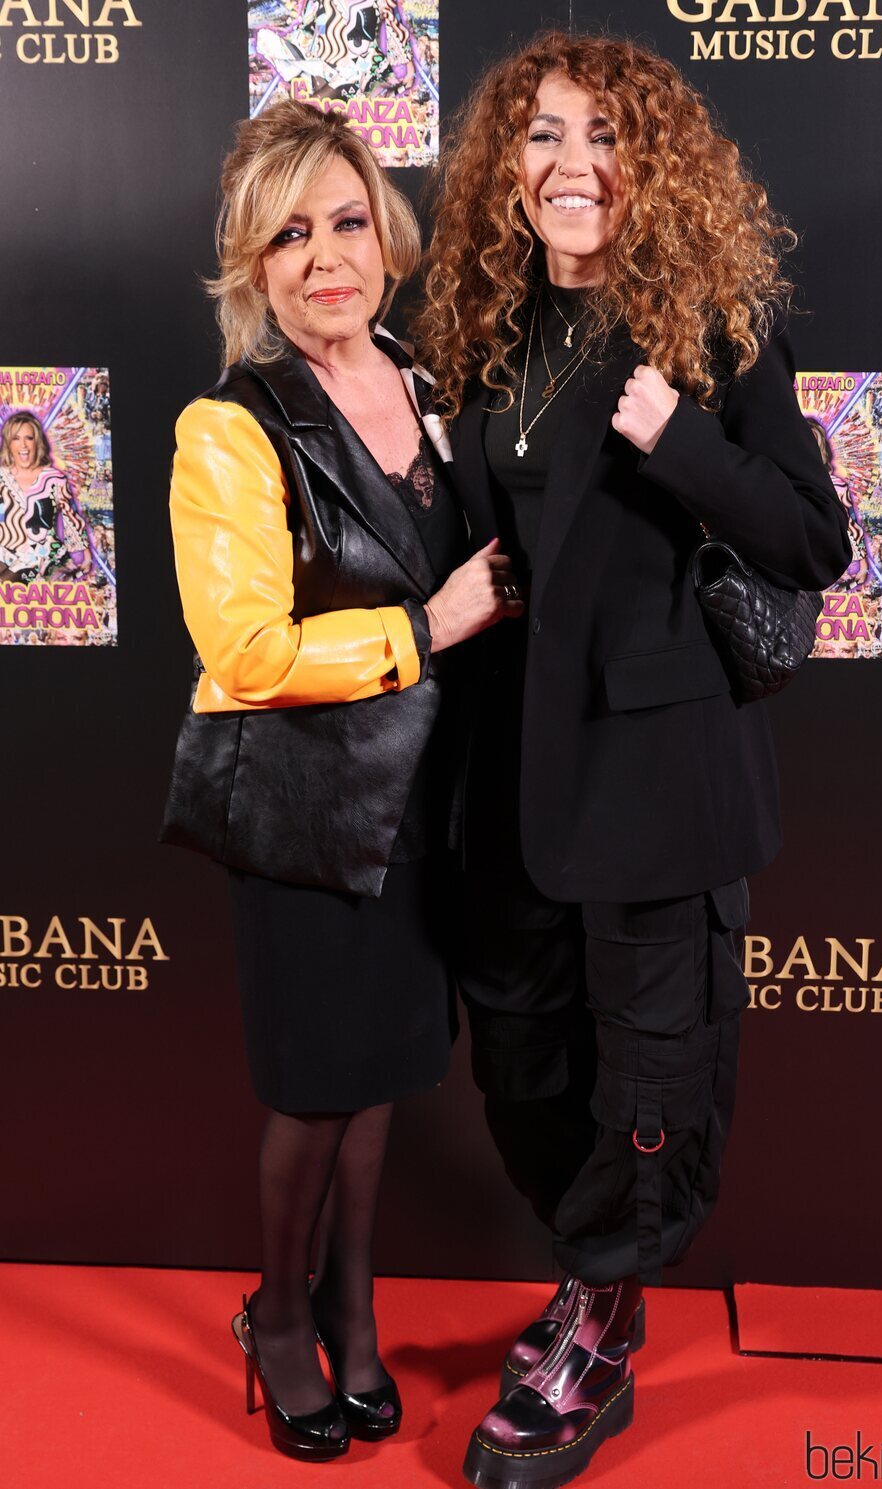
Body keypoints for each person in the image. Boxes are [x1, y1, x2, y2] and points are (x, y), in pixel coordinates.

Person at [417, 31, 852, 1489]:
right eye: (542, 136)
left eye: (603, 135)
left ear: (648, 160)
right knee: (530, 1073)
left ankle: (597, 1326)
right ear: (509, 168)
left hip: (657, 783)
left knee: (651, 1072)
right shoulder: (485, 330)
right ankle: (593, 1276)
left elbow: (813, 541)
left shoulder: (716, 323)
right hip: (510, 777)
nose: (571, 164)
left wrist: (682, 438)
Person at [161, 98, 522, 1463]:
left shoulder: (428, 390)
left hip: (420, 813)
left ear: (389, 230)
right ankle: (275, 1319)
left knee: (377, 1082)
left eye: (348, 220)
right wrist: (427, 626)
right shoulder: (229, 428)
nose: (327, 256)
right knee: (314, 1091)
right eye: (290, 233)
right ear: (253, 266)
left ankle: (353, 1318)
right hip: (310, 820)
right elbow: (245, 651)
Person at [0, 411, 92, 580]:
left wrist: (86, 555)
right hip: (5, 553)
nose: (23, 445)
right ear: (8, 443)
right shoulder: (1, 477)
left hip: (44, 556)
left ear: (37, 442)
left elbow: (70, 517)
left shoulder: (53, 478)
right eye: (16, 438)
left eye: (29, 438)